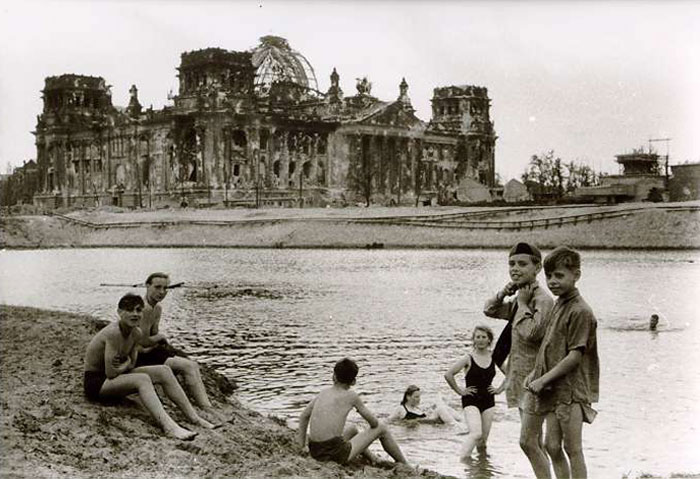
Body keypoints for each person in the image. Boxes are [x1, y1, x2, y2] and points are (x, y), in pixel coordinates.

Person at [83, 293, 215, 440]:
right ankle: (169, 427)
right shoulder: (114, 333)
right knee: (142, 379)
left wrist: (126, 364)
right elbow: (111, 373)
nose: (135, 314)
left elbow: (132, 363)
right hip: (97, 383)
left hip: (116, 375)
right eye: (129, 310)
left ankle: (194, 418)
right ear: (119, 312)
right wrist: (126, 364)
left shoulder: (136, 333)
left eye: (138, 310)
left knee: (163, 370)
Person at [521, 246, 600, 479]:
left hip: (571, 390)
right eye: (549, 276)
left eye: (559, 276)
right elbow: (549, 345)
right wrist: (536, 372)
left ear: (576, 275)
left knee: (572, 448)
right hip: (553, 386)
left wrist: (543, 378)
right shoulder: (560, 304)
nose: (552, 282)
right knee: (551, 446)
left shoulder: (581, 311)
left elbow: (574, 356)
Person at [484, 242, 554, 463]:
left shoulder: (541, 299)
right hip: (521, 379)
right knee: (535, 441)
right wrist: (504, 292)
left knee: (529, 442)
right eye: (511, 264)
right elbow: (490, 309)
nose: (515, 268)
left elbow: (532, 332)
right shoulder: (519, 298)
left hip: (536, 379)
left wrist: (522, 304)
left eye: (522, 264)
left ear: (538, 268)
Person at [137, 272, 222, 422]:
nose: (161, 292)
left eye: (165, 288)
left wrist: (159, 341)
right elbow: (143, 340)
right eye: (157, 287)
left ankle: (206, 406)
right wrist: (160, 338)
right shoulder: (144, 309)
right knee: (188, 366)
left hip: (151, 351)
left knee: (191, 364)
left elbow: (152, 334)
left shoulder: (156, 308)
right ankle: (204, 408)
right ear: (147, 286)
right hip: (140, 355)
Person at [296, 358, 409, 466]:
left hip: (315, 451)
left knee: (352, 429)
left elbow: (304, 416)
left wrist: (302, 447)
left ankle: (373, 458)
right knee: (382, 428)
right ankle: (405, 464)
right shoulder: (351, 396)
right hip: (335, 454)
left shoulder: (323, 393)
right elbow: (374, 424)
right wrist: (361, 411)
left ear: (334, 376)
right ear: (353, 382)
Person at [444, 325, 505, 461]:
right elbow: (449, 374)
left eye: (484, 337)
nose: (481, 340)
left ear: (489, 340)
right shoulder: (468, 358)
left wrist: (499, 389)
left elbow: (511, 374)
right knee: (476, 433)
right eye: (478, 337)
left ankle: (482, 468)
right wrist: (460, 391)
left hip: (488, 401)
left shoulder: (494, 357)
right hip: (470, 400)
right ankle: (462, 462)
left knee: (482, 442)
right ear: (473, 339)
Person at [387, 385, 463, 425]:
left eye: (419, 397)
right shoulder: (401, 409)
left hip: (430, 422)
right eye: (416, 397)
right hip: (429, 425)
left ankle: (462, 421)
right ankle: (455, 426)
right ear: (408, 397)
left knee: (444, 408)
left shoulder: (417, 409)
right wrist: (402, 424)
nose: (419, 399)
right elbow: (388, 420)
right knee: (441, 409)